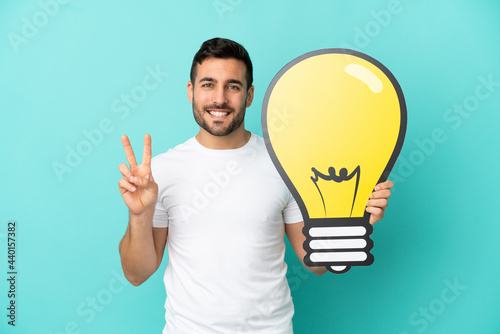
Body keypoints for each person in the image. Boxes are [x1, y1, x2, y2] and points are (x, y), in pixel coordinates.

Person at [118, 38, 393, 334]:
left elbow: (316, 263)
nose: (220, 99)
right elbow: (137, 274)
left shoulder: (285, 164)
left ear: (249, 95)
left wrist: (353, 218)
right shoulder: (161, 172)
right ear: (191, 91)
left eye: (233, 86)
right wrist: (139, 215)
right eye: (208, 84)